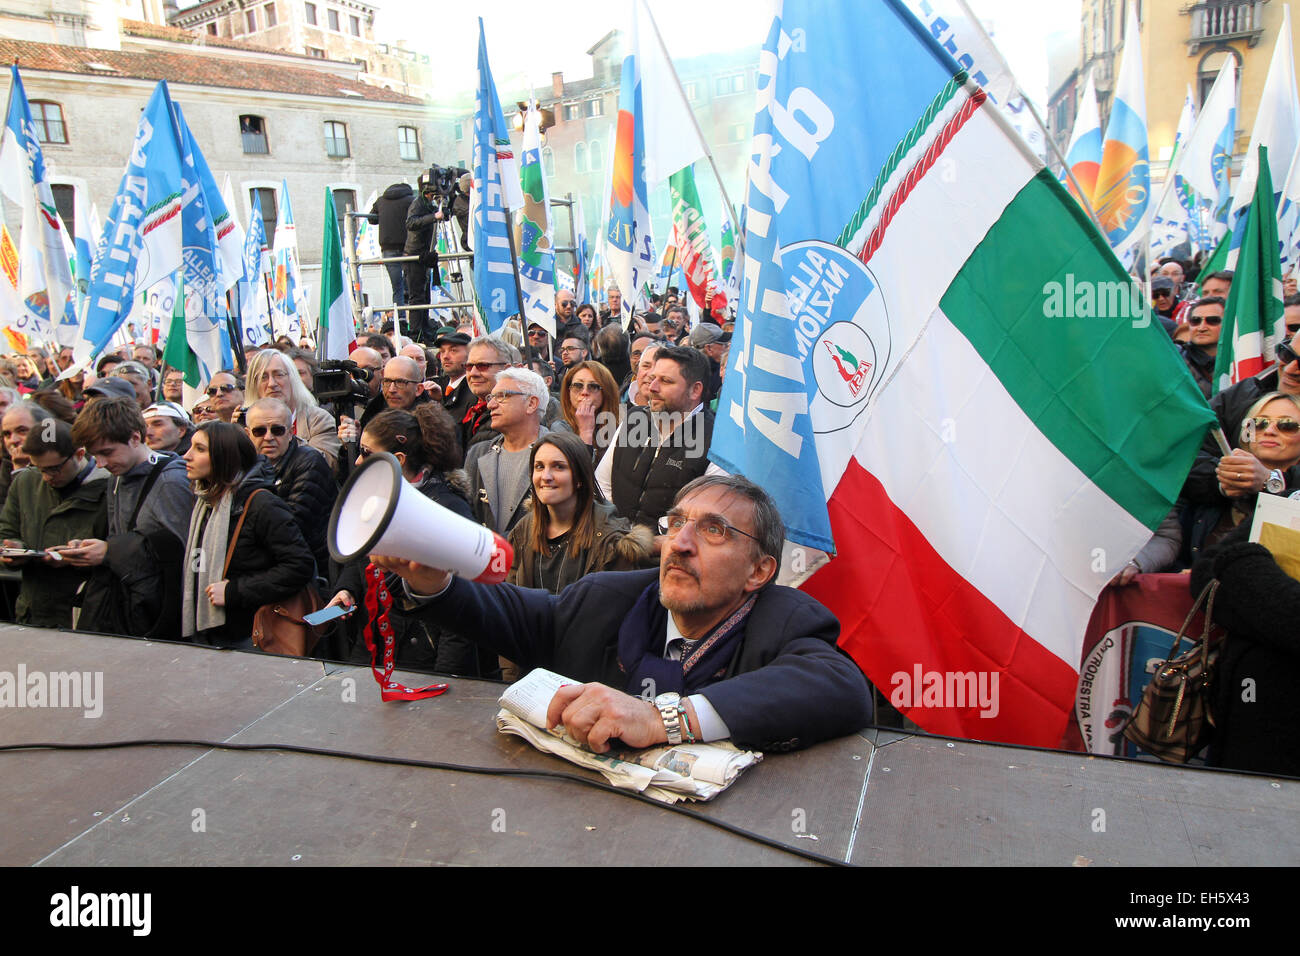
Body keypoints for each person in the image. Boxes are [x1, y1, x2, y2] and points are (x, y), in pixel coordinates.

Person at [378, 474, 873, 753]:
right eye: (675, 523)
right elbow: (515, 613)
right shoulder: (605, 599)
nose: (678, 544)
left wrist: (664, 719)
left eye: (714, 531)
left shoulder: (786, 619)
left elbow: (842, 687)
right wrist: (434, 582)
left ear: (759, 572)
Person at [326, 404, 492, 675]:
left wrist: (445, 675)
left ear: (398, 459)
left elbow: (460, 604)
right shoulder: (374, 495)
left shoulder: (447, 509)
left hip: (423, 653)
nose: (357, 461)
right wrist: (347, 589)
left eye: (367, 453)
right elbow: (361, 557)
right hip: (376, 641)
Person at [64, 397, 195, 637]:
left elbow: (184, 557)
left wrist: (109, 551)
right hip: (125, 606)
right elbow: (119, 535)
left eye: (107, 452)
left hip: (160, 619)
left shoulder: (171, 482)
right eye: (95, 456)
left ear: (136, 438)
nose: (101, 464)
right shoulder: (117, 474)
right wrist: (90, 549)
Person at [180, 421, 315, 648]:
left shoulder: (261, 504)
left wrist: (235, 591)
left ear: (225, 457)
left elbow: (299, 565)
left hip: (251, 636)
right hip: (212, 635)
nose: (186, 455)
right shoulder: (205, 502)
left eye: (200, 449)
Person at [1189, 521, 1300, 776]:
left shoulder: (1245, 565)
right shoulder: (1292, 503)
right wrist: (1267, 620)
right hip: (1244, 727)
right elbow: (1205, 575)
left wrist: (1244, 566)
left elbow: (1230, 560)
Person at [597, 346, 726, 529]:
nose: (652, 387)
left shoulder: (717, 443)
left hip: (669, 554)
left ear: (695, 390)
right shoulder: (634, 419)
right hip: (614, 544)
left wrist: (652, 545)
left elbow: (703, 519)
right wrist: (616, 532)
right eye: (652, 378)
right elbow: (602, 486)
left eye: (665, 381)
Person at [508, 430, 653, 593]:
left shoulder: (610, 543)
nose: (546, 476)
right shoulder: (522, 531)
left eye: (558, 467)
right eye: (539, 466)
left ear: (579, 479)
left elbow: (611, 612)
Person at [0, 420, 109, 628]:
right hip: (32, 611)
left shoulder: (109, 487)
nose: (46, 477)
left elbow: (118, 551)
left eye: (54, 469)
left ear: (79, 454)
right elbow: (6, 530)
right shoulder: (25, 482)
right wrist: (14, 550)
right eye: (38, 468)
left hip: (83, 613)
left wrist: (78, 555)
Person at [1182, 392, 1300, 565]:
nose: (1269, 431)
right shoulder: (1211, 487)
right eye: (1258, 424)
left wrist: (1269, 481)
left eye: (1286, 425)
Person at [245, 397, 336, 575]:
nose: (269, 437)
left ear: (290, 432)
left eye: (277, 430)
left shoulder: (309, 461)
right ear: (248, 434)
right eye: (259, 431)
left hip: (311, 571)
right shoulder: (246, 466)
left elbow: (292, 528)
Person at [465, 368, 551, 535]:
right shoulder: (478, 453)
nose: (490, 405)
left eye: (502, 396)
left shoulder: (560, 454)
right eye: (491, 397)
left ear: (531, 404)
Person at [245, 349, 340, 470]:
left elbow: (325, 465)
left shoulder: (318, 420)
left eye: (279, 374)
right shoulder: (245, 424)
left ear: (292, 378)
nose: (271, 384)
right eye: (263, 377)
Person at [554, 360, 621, 463]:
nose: (584, 392)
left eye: (593, 386)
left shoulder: (620, 427)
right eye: (577, 386)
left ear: (606, 392)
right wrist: (585, 432)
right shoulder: (560, 428)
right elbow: (578, 472)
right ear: (568, 392)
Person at [403, 175, 443, 340]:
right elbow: (411, 223)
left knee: (425, 296)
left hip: (424, 254)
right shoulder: (417, 204)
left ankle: (424, 328)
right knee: (417, 296)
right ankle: (416, 332)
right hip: (414, 254)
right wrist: (434, 217)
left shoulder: (428, 204)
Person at [367, 181, 415, 313]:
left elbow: (371, 219)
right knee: (412, 283)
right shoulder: (411, 200)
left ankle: (400, 318)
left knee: (396, 287)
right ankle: (413, 314)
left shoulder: (381, 201)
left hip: (388, 247)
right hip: (407, 247)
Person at [1178, 297, 1223, 399]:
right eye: (1195, 321)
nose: (1202, 327)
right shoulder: (1175, 360)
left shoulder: (1241, 359)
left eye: (1212, 320)